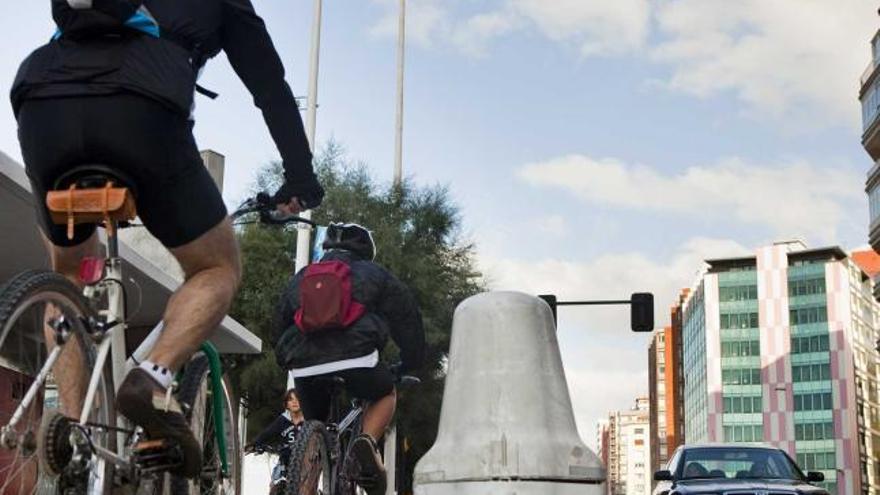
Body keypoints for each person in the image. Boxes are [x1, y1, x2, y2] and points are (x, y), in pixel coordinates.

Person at [10, 0, 324, 479]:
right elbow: (270, 90)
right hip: (143, 102)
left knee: (69, 275)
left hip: (44, 97)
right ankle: (152, 377)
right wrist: (300, 176)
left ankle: (78, 438)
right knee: (215, 268)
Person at [273, 223, 425, 495]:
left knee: (313, 427)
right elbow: (407, 319)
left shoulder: (303, 276)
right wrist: (410, 362)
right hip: (357, 358)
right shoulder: (375, 274)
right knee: (385, 393)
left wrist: (286, 358)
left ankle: (303, 486)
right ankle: (366, 442)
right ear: (366, 249)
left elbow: (280, 323)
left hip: (305, 364)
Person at [245, 389, 305, 490]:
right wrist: (255, 444)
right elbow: (267, 433)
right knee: (276, 485)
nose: (294, 402)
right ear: (286, 405)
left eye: (297, 399)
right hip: (285, 462)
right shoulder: (282, 420)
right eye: (291, 399)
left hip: (306, 461)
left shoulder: (309, 421)